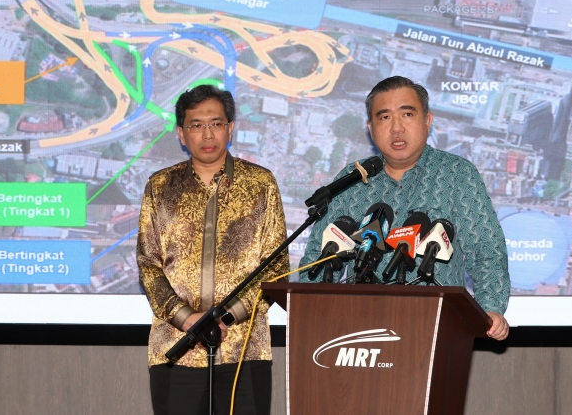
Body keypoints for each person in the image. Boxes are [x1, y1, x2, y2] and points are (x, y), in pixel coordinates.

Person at [298, 75, 511, 339]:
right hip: (353, 331)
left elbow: (487, 253)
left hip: (434, 329)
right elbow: (319, 260)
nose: (396, 128)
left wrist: (490, 309)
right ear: (370, 127)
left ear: (428, 120)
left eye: (407, 114)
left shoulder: (457, 175)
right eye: (384, 117)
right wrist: (307, 311)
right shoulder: (352, 179)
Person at [137, 84, 289, 415]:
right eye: (196, 125)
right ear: (181, 133)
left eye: (216, 123)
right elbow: (149, 265)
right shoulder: (160, 187)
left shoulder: (260, 184)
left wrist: (226, 315)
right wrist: (188, 319)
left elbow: (276, 268)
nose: (208, 133)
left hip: (244, 350)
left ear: (230, 128)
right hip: (176, 350)